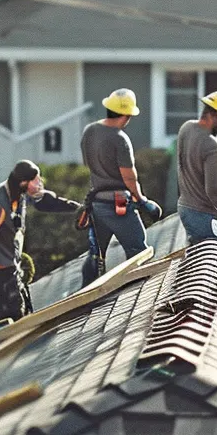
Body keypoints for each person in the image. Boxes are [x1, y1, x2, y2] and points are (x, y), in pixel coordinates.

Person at [0, 160, 82, 322]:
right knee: (14, 315)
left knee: (24, 309)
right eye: (36, 180)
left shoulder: (20, 192)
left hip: (12, 264)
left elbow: (45, 203)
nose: (40, 183)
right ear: (24, 183)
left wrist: (78, 208)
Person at [79, 88, 161, 287]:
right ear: (126, 115)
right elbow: (128, 176)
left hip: (97, 204)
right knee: (139, 252)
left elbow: (87, 162)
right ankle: (139, 292)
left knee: (96, 254)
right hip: (118, 206)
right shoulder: (119, 139)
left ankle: (86, 293)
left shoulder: (90, 131)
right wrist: (141, 199)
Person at [177, 91, 217, 244]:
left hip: (184, 207)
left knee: (197, 255)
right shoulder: (213, 145)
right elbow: (213, 190)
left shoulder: (186, 128)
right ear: (215, 115)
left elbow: (182, 166)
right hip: (202, 213)